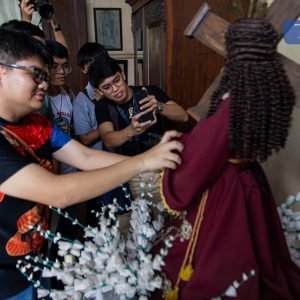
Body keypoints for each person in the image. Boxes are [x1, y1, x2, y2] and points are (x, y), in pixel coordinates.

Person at [0, 28, 183, 300]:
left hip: (41, 258)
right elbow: (57, 192)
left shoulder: (38, 125)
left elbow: (85, 157)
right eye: (36, 74)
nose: (43, 83)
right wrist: (142, 161)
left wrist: (151, 165)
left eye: (45, 75)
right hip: (7, 280)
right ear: (2, 71)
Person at [159, 18, 300, 300]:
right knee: (257, 248)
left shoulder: (241, 95)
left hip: (228, 189)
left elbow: (209, 144)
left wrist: (176, 145)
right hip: (249, 179)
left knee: (226, 258)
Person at [89, 56, 189, 156]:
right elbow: (107, 139)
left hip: (158, 155)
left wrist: (158, 106)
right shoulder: (103, 106)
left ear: (123, 75)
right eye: (107, 87)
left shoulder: (149, 91)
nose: (115, 89)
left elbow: (183, 116)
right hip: (128, 162)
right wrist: (131, 130)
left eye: (117, 80)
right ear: (100, 91)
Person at [73, 42, 109, 150]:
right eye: (90, 66)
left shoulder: (115, 90)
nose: (96, 70)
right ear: (83, 69)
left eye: (99, 64)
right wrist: (109, 124)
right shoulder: (81, 100)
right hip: (98, 160)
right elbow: (85, 139)